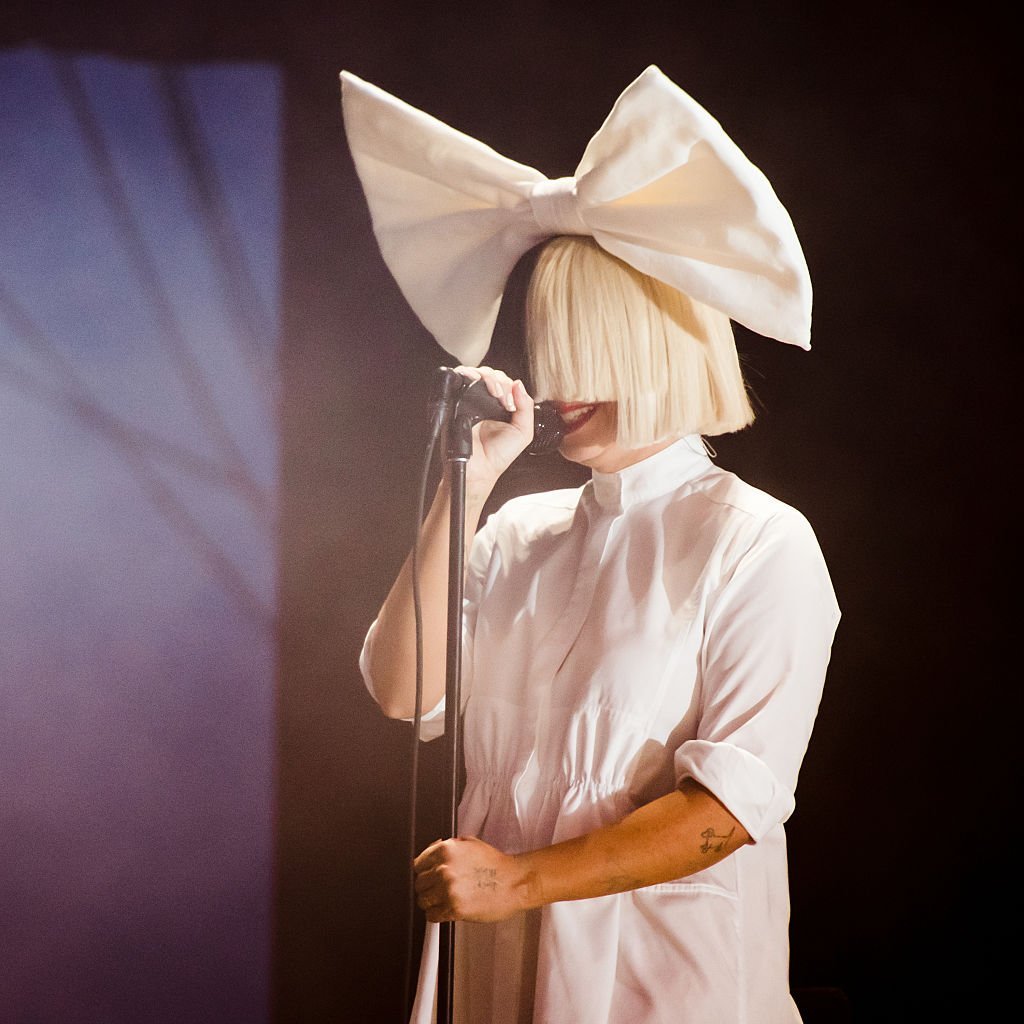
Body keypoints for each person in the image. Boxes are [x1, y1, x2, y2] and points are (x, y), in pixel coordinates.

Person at [343, 65, 840, 1024]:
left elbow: (725, 811)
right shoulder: (519, 533)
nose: (557, 379)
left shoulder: (761, 544)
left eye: (584, 350)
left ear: (655, 349)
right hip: (496, 976)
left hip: (662, 989)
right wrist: (470, 485)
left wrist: (519, 882)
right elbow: (402, 693)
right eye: (546, 345)